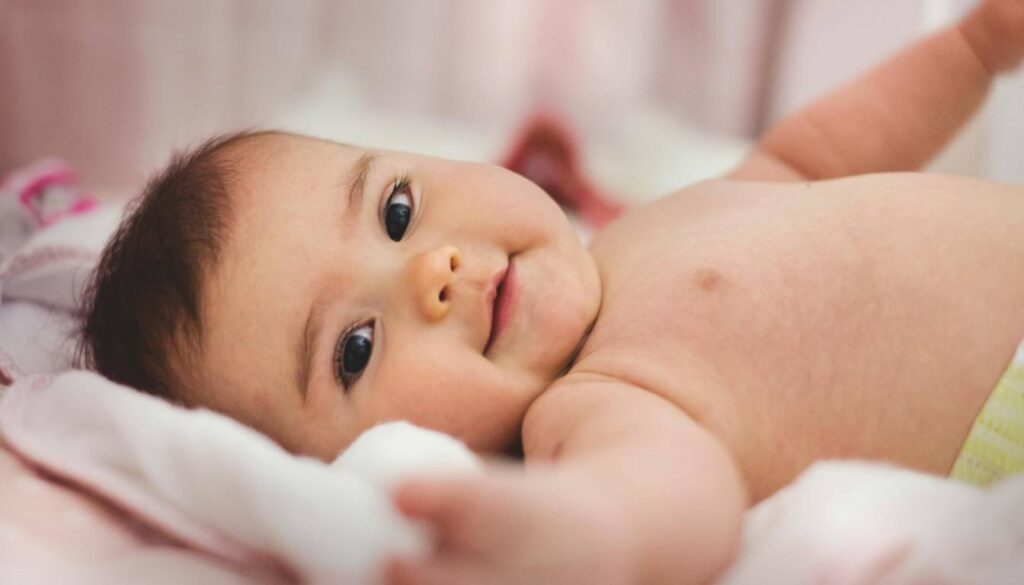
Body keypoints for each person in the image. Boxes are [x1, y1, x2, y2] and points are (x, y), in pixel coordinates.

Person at [79, 1, 1024, 582]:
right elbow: (670, 494)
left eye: (398, 209)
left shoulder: (640, 232)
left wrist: (973, 52)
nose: (428, 273)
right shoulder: (593, 403)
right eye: (354, 349)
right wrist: (592, 533)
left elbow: (812, 154)